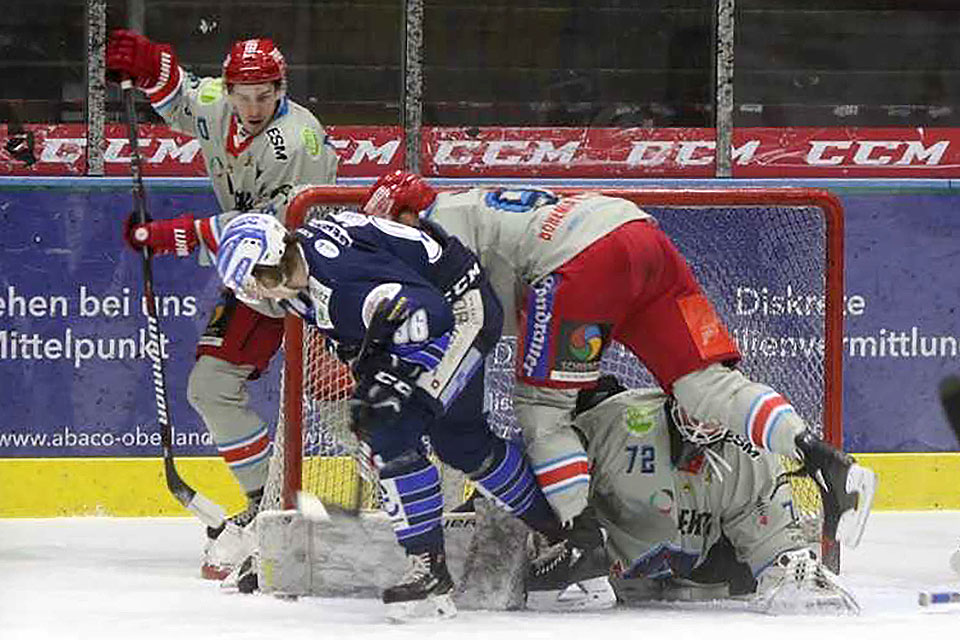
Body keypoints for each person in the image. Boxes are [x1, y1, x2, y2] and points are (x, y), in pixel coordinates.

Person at [359, 171, 877, 562]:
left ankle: (581, 552)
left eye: (383, 233)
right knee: (704, 384)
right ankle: (827, 460)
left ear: (405, 217)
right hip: (642, 236)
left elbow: (459, 334)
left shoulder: (432, 234)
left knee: (543, 410)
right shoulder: (467, 209)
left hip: (580, 264)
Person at [212, 210, 615, 620]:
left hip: (458, 316)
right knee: (461, 443)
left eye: (257, 280)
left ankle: (429, 569)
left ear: (278, 256)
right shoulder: (300, 278)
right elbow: (364, 329)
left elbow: (431, 316)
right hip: (438, 305)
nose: (258, 293)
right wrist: (369, 367)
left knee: (391, 430)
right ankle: (573, 540)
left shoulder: (342, 281)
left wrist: (390, 384)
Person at [107, 30, 339, 579]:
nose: (254, 108)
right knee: (211, 387)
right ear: (230, 88)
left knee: (343, 409)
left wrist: (175, 234)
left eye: (265, 95)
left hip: (310, 278)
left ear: (282, 89)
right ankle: (268, 507)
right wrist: (152, 66)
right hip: (256, 282)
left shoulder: (298, 140)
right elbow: (185, 102)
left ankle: (426, 506)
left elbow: (270, 232)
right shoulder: (219, 103)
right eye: (244, 94)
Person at [570, 374, 860, 614]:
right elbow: (558, 479)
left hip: (700, 572)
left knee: (748, 574)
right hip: (609, 573)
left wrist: (788, 564)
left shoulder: (749, 451)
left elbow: (768, 534)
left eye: (715, 406)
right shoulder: (615, 421)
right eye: (696, 401)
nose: (703, 417)